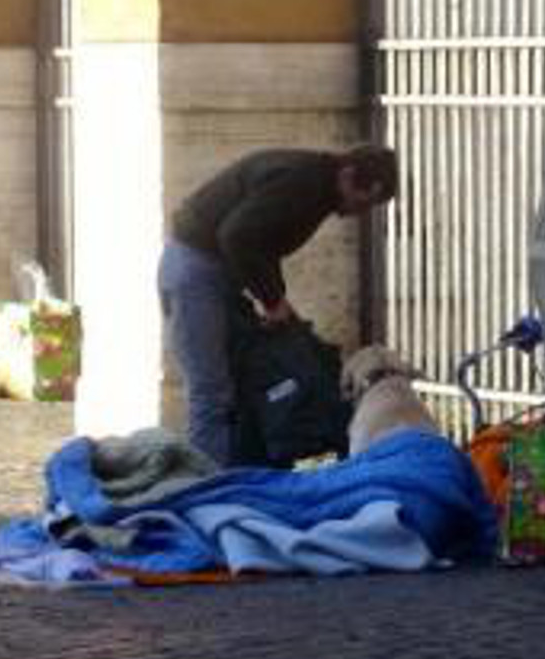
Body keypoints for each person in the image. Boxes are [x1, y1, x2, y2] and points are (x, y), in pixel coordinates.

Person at [158, 144, 400, 466]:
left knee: (238, 388)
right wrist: (273, 301)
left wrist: (276, 300)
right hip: (197, 273)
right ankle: (208, 497)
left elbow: (262, 242)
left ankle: (233, 477)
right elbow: (238, 235)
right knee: (211, 393)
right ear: (348, 174)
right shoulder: (303, 183)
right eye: (362, 199)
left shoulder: (315, 185)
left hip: (214, 273)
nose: (358, 210)